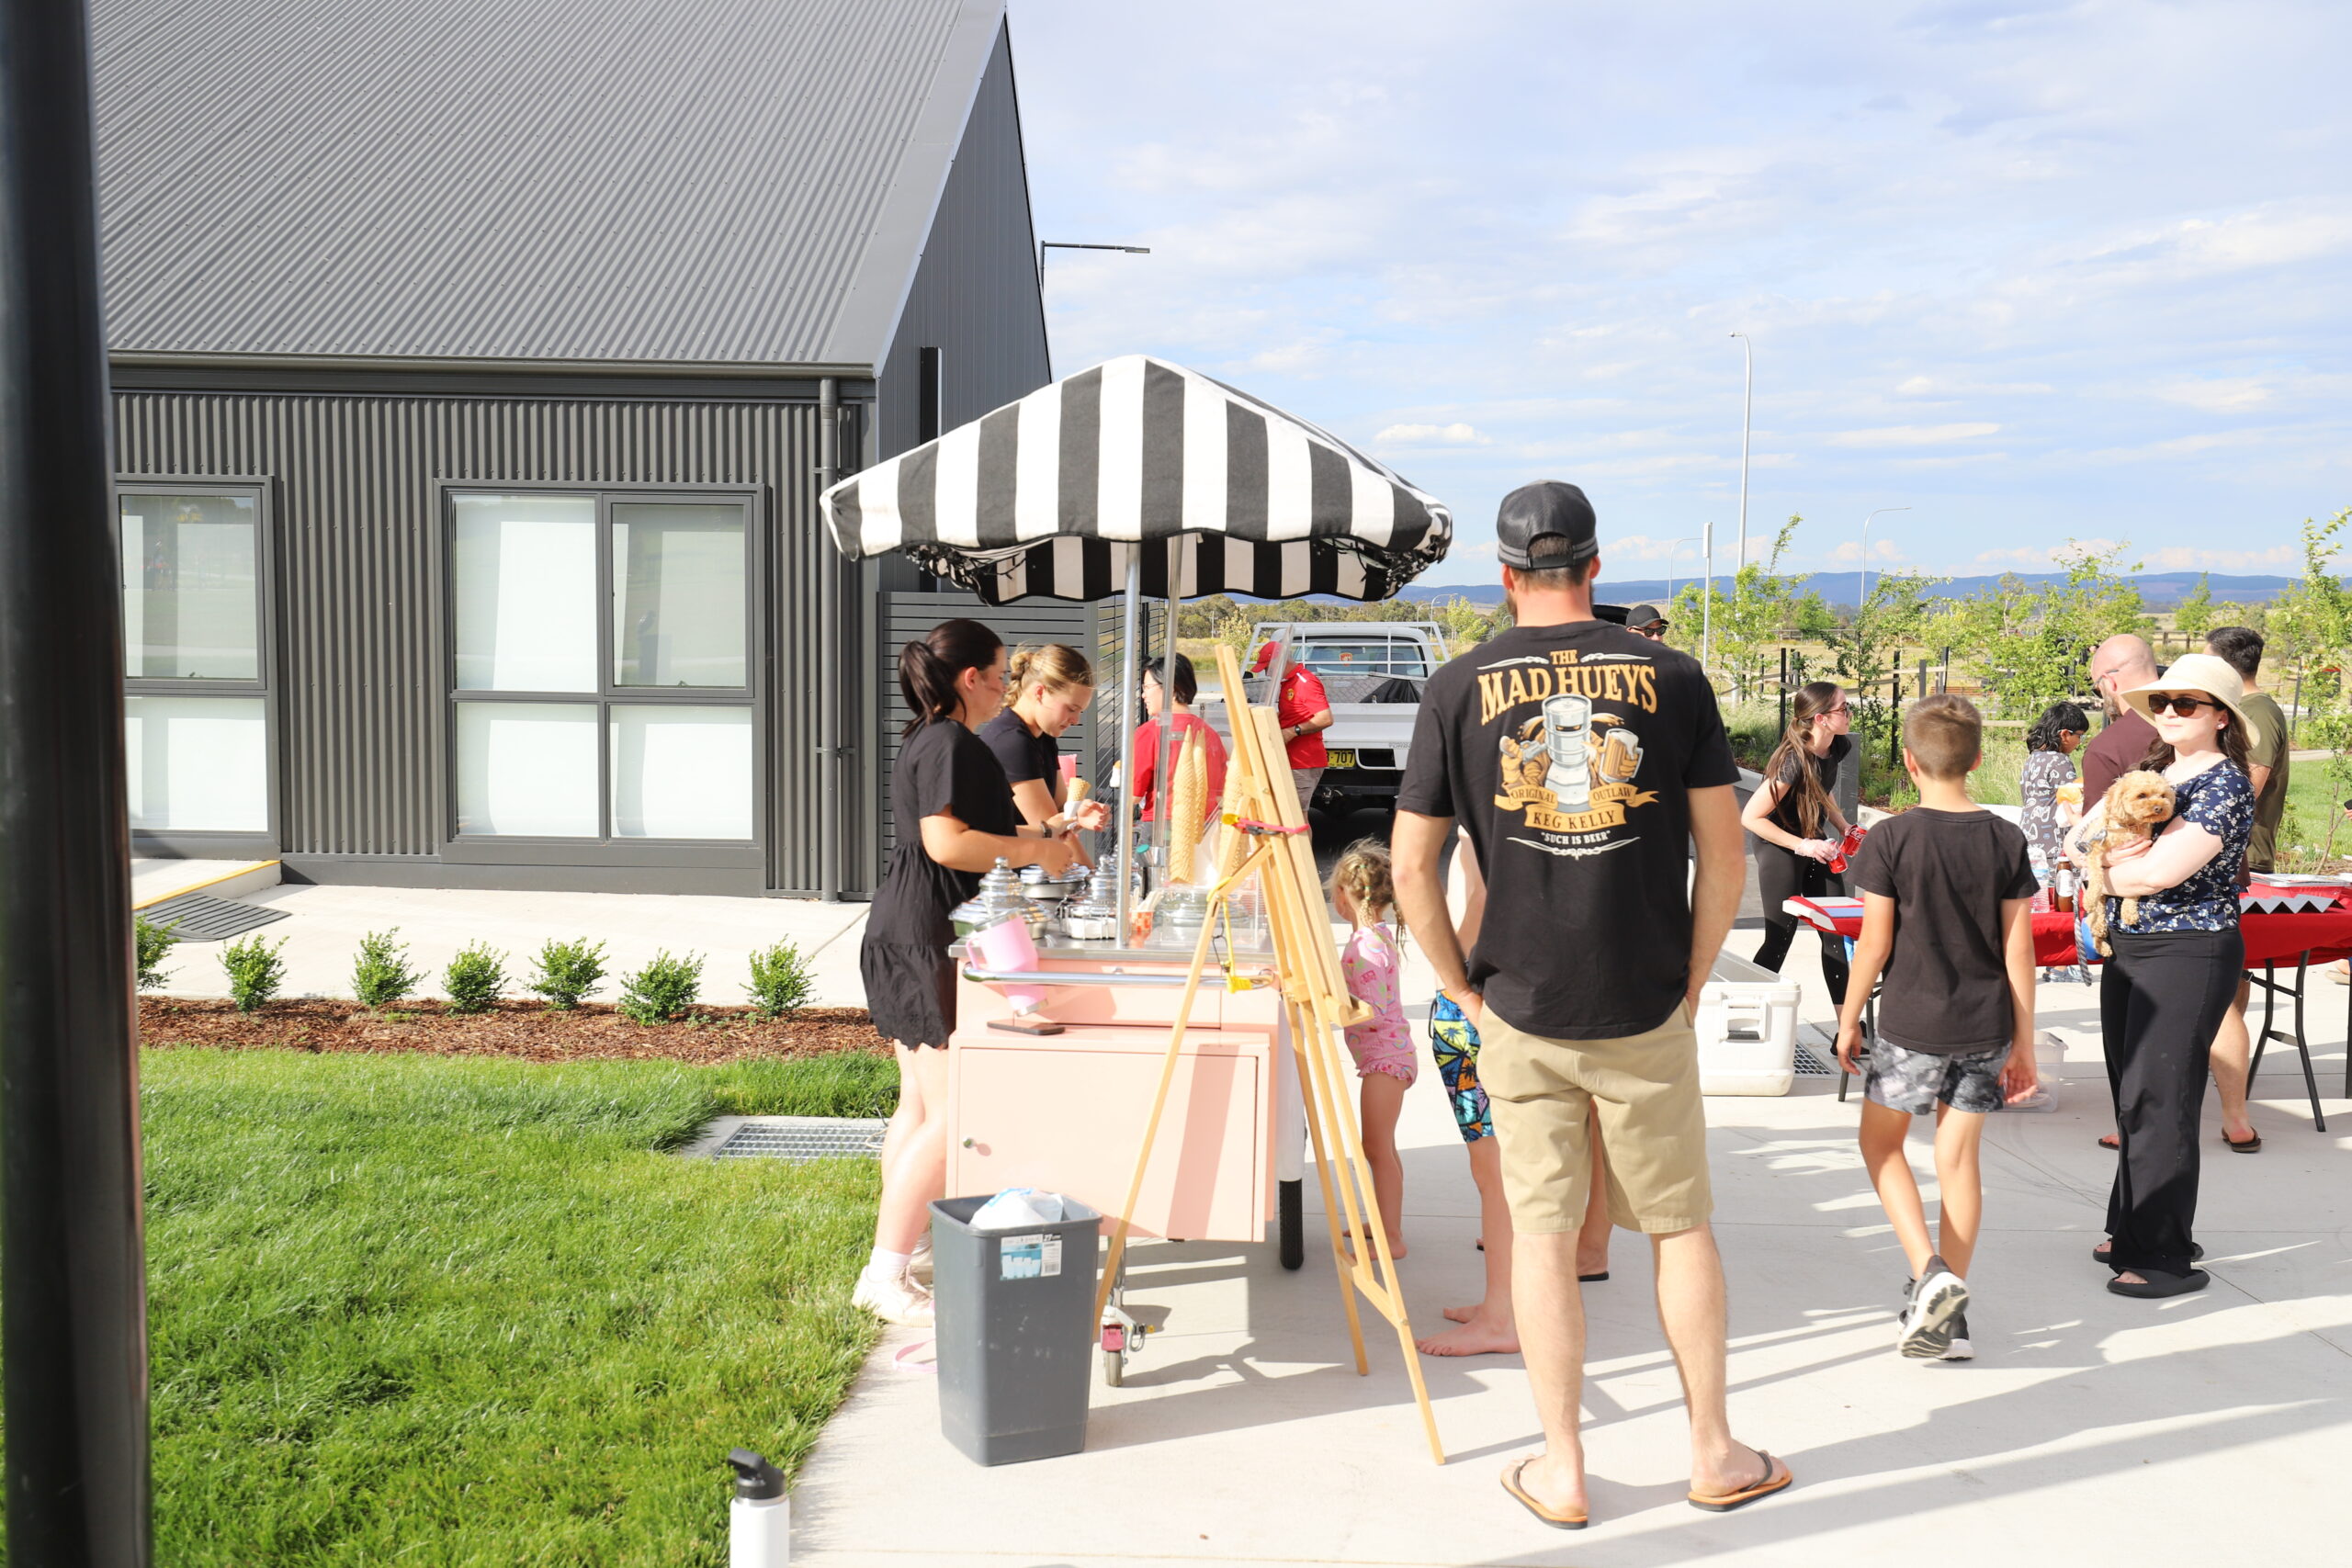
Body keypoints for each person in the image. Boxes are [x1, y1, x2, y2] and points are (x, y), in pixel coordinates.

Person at [1393, 480, 1786, 1529]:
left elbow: (1410, 865)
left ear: (1505, 575)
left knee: (1539, 1235)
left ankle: (1562, 1468)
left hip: (1518, 1006)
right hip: (1643, 1000)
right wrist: (1694, 975)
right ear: (1597, 568)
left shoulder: (1456, 686)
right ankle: (1713, 1451)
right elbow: (1725, 853)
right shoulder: (1674, 675)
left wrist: (1458, 986)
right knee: (1679, 1227)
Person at [854, 621, 1087, 1326]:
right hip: (924, 934)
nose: (1006, 684)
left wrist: (1046, 836)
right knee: (954, 1113)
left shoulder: (931, 736)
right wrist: (1034, 853)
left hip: (906, 927)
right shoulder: (951, 742)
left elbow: (981, 832)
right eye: (1000, 672)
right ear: (971, 678)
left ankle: (908, 1246)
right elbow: (947, 842)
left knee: (920, 1106)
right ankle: (884, 1273)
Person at [1834, 695, 2040, 1361]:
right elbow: (2019, 949)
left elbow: (1873, 943)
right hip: (1986, 1026)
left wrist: (1848, 1017)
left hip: (1911, 1024)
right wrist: (2024, 1043)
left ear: (1909, 761)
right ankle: (1951, 1319)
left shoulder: (1891, 839)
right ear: (1977, 760)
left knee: (1881, 1146)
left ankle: (1930, 1273)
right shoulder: (2005, 839)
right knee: (1958, 1163)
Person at [2066, 653, 2255, 1299]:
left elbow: (2157, 874)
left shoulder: (2226, 785)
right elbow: (2076, 839)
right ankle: (2130, 1229)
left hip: (2189, 950)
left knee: (2161, 1099)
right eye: (2162, 702)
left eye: (2187, 703)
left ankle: (2163, 1254)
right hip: (2132, 947)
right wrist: (2100, 865)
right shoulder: (2158, 773)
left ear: (2221, 716)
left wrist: (2103, 872)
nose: (2169, 712)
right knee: (2132, 1095)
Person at [1418, 833, 1613, 1360]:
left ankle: (1503, 1315)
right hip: (1511, 1002)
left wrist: (1454, 981)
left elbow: (1476, 908)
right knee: (1508, 1169)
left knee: (1498, 1174)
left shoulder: (1483, 835)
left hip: (1479, 1006)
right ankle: (1503, 1305)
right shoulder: (1529, 830)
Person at [2201, 626, 2289, 1153]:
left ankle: (2227, 1087)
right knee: (2228, 977)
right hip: (2233, 856)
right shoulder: (2252, 709)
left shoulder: (2255, 713)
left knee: (2223, 979)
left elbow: (2244, 788)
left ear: (2227, 667)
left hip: (2239, 859)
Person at [1740, 682, 1854, 1006]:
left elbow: (1822, 788)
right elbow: (1751, 817)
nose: (1849, 713)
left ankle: (1848, 1027)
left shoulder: (1838, 746)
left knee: (1835, 933)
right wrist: (1803, 846)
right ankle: (1747, 1013)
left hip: (1813, 842)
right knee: (1780, 938)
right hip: (1778, 845)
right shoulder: (1791, 761)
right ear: (1821, 718)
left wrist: (1843, 826)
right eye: (1843, 708)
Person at [1331, 841, 1415, 1264]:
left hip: (1385, 1059)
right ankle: (1383, 1222)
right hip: (1389, 1056)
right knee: (1384, 1147)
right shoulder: (1374, 936)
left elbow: (1372, 1010)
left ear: (1343, 895)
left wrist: (1331, 1005)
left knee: (1376, 1148)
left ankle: (1392, 1238)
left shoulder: (1364, 946)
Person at [979, 644, 1104, 857]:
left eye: (1080, 711)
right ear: (1040, 692)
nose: (1075, 720)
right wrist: (1090, 872)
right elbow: (1053, 832)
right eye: (1071, 709)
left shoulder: (1042, 736)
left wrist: (1077, 813)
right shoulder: (1012, 742)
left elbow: (1060, 809)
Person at [1133, 654, 1228, 826]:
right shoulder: (1210, 733)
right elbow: (1221, 790)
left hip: (1161, 825)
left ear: (1171, 690)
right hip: (1205, 824)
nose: (1143, 695)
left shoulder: (1150, 732)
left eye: (1147, 687)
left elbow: (1133, 795)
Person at [1253, 637, 1333, 818]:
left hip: (1303, 762)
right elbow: (1294, 714)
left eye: (1267, 668)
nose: (1267, 673)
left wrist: (1292, 731)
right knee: (1288, 816)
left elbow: (1325, 718)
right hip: (1291, 759)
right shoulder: (1288, 683)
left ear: (1279, 662)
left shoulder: (1305, 682)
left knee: (1295, 817)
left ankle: (1302, 840)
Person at [2080, 633, 2161, 807]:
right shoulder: (2197, 719)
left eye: (2098, 690)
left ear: (2110, 681)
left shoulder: (2106, 749)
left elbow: (2098, 822)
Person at [2020, 701, 2090, 880]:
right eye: (2080, 736)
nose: (2079, 742)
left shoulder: (2033, 758)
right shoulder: (2060, 761)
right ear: (2065, 734)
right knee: (2062, 887)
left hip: (2030, 836)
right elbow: (2071, 802)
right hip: (2054, 840)